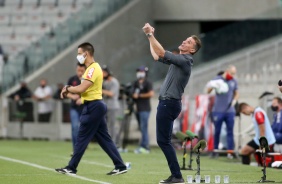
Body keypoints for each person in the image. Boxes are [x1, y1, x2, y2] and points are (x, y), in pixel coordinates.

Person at [55, 42, 127, 176]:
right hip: (94, 105)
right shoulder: (90, 68)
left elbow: (82, 88)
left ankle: (71, 167)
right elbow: (84, 91)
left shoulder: (93, 68)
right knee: (104, 138)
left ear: (86, 54)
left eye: (79, 53)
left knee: (82, 136)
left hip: (93, 106)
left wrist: (67, 88)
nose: (78, 56)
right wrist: (70, 90)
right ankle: (120, 165)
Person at [143, 23, 201, 184]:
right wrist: (150, 36)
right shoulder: (180, 60)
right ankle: (176, 175)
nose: (185, 41)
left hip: (169, 103)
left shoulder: (185, 60)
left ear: (192, 50)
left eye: (189, 42)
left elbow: (161, 52)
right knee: (164, 141)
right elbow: (156, 55)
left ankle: (177, 175)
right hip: (169, 103)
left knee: (163, 141)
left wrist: (149, 35)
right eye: (186, 39)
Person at [207, 65, 239, 159]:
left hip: (230, 111)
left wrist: (234, 100)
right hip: (218, 110)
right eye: (232, 73)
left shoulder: (233, 81)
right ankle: (215, 151)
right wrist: (214, 86)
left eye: (234, 74)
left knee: (230, 131)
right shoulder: (217, 79)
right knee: (217, 131)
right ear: (227, 71)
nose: (233, 75)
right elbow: (208, 91)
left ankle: (230, 151)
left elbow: (237, 93)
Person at [132, 66, 154, 154]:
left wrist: (140, 96)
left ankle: (145, 146)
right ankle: (142, 145)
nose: (139, 73)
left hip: (145, 108)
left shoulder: (148, 83)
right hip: (138, 108)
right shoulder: (136, 83)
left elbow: (151, 93)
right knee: (141, 128)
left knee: (143, 127)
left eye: (141, 71)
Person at [66, 63, 86, 152]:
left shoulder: (88, 81)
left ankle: (82, 147)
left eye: (82, 71)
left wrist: (82, 98)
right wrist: (73, 96)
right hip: (74, 108)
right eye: (78, 70)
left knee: (84, 128)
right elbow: (66, 91)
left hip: (85, 108)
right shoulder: (72, 79)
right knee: (74, 127)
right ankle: (76, 149)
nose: (80, 73)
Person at [102, 65, 120, 145]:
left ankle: (114, 143)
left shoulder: (114, 82)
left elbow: (111, 93)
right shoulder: (105, 82)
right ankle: (108, 142)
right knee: (107, 125)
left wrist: (101, 90)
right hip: (106, 106)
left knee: (112, 125)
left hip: (113, 106)